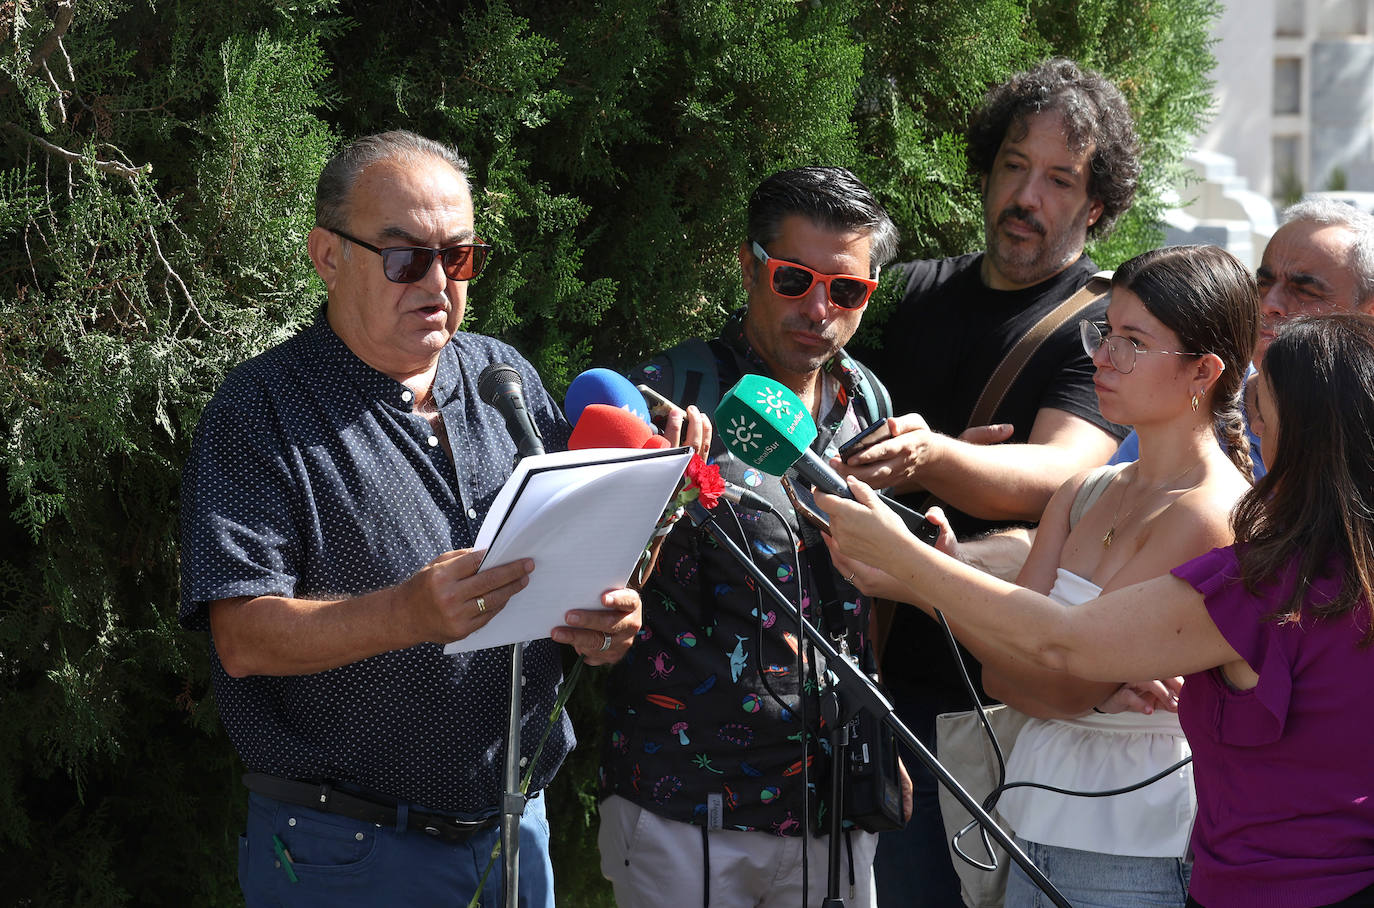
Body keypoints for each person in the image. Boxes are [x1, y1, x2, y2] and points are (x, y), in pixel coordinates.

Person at [179, 130, 655, 907]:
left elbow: (566, 564)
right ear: (327, 255)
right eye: (406, 258)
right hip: (351, 851)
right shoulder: (260, 410)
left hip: (515, 829)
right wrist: (402, 613)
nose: (437, 282)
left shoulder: (505, 377)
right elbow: (242, 638)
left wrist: (603, 619)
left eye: (459, 257)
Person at [821, 311, 1374, 908]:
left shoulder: (1264, 579)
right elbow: (1024, 665)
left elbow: (1061, 642)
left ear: (1299, 425)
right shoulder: (1325, 568)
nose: (1247, 401)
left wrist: (908, 561)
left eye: (1259, 391)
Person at [844, 58, 1141, 904]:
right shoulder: (904, 293)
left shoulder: (1101, 324)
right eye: (1014, 165)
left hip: (984, 700)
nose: (1027, 196)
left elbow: (1059, 474)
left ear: (1096, 203)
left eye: (1058, 178)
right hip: (862, 670)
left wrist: (936, 457)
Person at [597, 166, 899, 908]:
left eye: (848, 290)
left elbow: (873, 597)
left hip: (835, 809)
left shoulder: (870, 403)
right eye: (795, 280)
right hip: (689, 807)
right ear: (749, 265)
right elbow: (592, 585)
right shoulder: (669, 393)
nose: (821, 308)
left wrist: (880, 737)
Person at [931, 245, 1258, 906]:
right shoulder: (1082, 491)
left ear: (1204, 371)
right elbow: (1004, 671)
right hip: (1030, 817)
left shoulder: (1213, 516)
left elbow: (1051, 666)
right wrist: (1080, 681)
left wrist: (924, 578)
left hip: (1139, 842)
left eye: (1132, 342)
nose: (1102, 356)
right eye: (1104, 332)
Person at [1110, 197, 1374, 476]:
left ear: (1368, 314)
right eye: (1263, 283)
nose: (1269, 303)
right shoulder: (1198, 398)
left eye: (1305, 291)